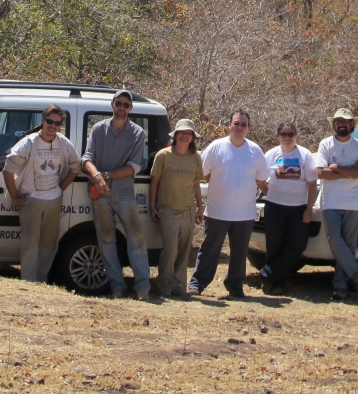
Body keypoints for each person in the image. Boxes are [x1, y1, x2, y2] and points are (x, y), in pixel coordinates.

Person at [188, 109, 268, 299]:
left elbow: (262, 181)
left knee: (239, 253)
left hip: (244, 214)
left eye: (243, 124)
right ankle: (197, 284)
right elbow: (203, 175)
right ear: (229, 125)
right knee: (209, 250)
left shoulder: (255, 151)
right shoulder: (216, 147)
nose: (239, 128)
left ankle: (235, 286)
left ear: (248, 128)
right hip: (217, 211)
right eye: (236, 123)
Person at [82, 89, 151, 301]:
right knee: (106, 241)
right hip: (100, 194)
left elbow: (134, 166)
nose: (122, 108)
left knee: (137, 240)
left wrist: (106, 175)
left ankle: (142, 288)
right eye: (119, 103)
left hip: (125, 194)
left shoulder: (138, 133)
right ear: (112, 104)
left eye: (126, 105)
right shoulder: (98, 129)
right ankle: (117, 286)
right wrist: (97, 177)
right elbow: (86, 158)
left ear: (131, 108)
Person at [3, 104, 81, 282]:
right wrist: (16, 196)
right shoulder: (29, 143)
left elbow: (76, 166)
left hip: (53, 199)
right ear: (42, 120)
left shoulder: (63, 143)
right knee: (30, 244)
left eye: (57, 123)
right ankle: (29, 281)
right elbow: (8, 169)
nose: (52, 126)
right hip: (31, 199)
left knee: (49, 244)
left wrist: (61, 189)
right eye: (49, 121)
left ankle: (41, 279)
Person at [315, 107, 358, 300]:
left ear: (351, 124)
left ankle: (340, 287)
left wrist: (336, 168)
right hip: (330, 201)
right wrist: (349, 170)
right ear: (334, 124)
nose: (341, 124)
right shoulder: (326, 145)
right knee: (335, 241)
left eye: (345, 121)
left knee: (349, 245)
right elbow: (321, 173)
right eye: (338, 122)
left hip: (352, 201)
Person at [260, 121, 318, 295]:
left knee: (297, 245)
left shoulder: (305, 155)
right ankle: (276, 283)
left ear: (296, 136)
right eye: (283, 134)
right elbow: (260, 180)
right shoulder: (270, 155)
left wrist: (309, 208)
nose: (287, 137)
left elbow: (312, 184)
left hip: (298, 208)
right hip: (275, 207)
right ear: (278, 136)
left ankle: (266, 274)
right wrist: (270, 193)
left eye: (290, 134)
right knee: (274, 246)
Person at [149, 118, 205, 298]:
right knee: (170, 249)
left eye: (188, 133)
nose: (184, 136)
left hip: (188, 210)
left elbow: (196, 183)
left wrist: (200, 207)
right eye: (181, 132)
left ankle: (180, 286)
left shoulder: (196, 157)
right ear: (175, 135)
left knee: (184, 250)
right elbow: (154, 182)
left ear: (192, 138)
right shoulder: (163, 155)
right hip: (167, 210)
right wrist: (152, 207)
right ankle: (164, 284)